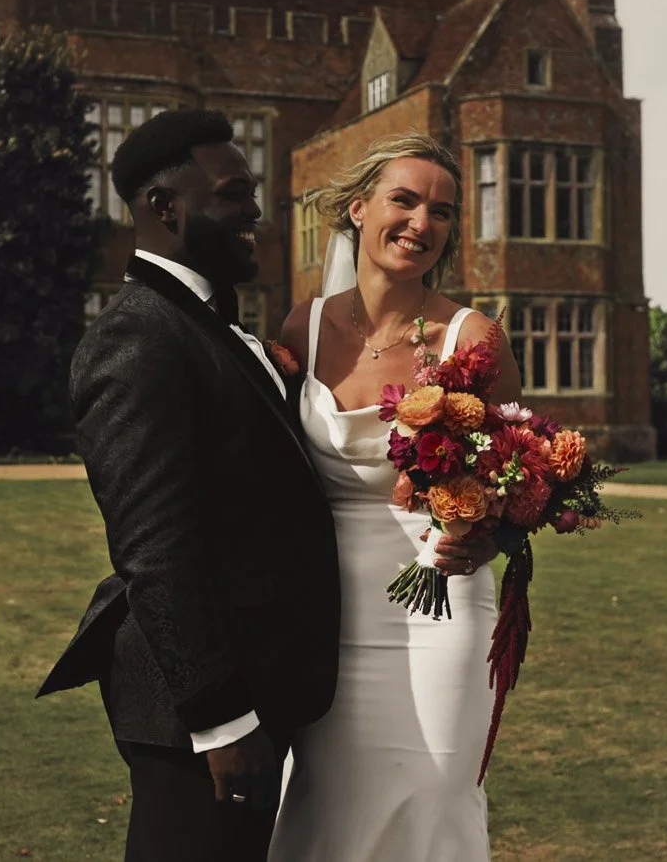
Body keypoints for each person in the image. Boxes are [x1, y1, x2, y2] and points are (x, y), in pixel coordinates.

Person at [35, 112, 491, 862]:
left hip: (281, 677)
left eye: (443, 210)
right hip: (202, 708)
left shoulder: (222, 329)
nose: (255, 211)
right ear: (166, 208)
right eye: (233, 193)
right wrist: (220, 719)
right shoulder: (138, 335)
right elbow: (154, 544)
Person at [267, 133, 521, 862]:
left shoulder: (473, 337)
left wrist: (490, 532)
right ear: (356, 210)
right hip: (323, 606)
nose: (421, 223)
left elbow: (519, 475)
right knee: (325, 796)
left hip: (441, 596)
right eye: (403, 201)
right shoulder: (301, 327)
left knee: (435, 787)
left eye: (442, 212)